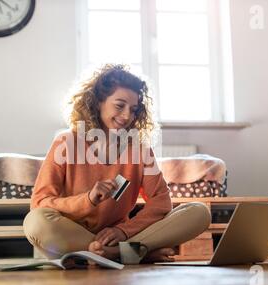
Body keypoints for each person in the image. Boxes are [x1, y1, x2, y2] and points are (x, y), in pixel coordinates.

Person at [23, 64, 211, 263]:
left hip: (118, 237)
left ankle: (111, 254)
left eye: (134, 109)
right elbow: (40, 202)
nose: (127, 116)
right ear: (97, 103)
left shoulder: (139, 149)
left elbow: (161, 201)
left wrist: (123, 231)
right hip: (71, 233)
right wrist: (88, 200)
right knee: (35, 222)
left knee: (199, 212)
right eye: (120, 106)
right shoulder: (66, 143)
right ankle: (131, 253)